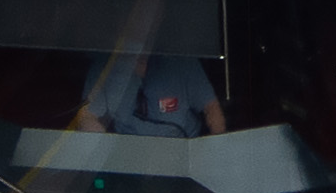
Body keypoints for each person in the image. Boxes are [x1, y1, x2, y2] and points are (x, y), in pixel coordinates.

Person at [75, 51, 227, 138]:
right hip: (129, 154)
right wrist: (102, 156)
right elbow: (87, 116)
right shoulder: (105, 66)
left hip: (181, 155)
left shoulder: (181, 62)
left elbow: (212, 109)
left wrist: (215, 155)